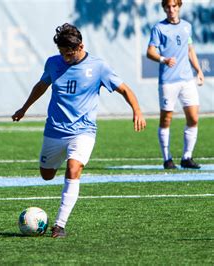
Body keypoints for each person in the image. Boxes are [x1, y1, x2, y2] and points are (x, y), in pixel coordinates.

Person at [12, 23, 146, 238]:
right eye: (62, 53)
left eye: (69, 53)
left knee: (74, 169)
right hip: (55, 130)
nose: (65, 58)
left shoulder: (98, 66)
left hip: (83, 130)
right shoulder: (53, 63)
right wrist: (24, 108)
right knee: (46, 175)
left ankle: (59, 225)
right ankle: (61, 159)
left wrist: (137, 110)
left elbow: (124, 89)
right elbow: (41, 85)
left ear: (81, 46)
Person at [146, 0, 204, 169]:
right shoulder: (159, 28)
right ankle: (167, 159)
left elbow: (190, 49)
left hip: (187, 80)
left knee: (193, 118)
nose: (171, 9)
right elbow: (150, 52)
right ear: (164, 8)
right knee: (166, 119)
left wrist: (198, 70)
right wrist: (164, 59)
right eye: (168, 7)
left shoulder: (187, 26)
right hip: (168, 81)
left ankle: (187, 157)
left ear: (179, 7)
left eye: (174, 6)